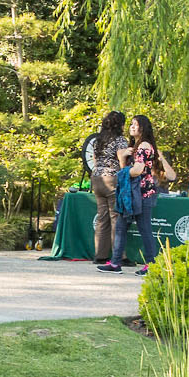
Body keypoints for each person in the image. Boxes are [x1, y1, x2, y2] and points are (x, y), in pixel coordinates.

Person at [101, 116, 177, 275]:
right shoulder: (136, 146)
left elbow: (136, 171)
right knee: (122, 228)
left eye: (136, 124)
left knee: (144, 229)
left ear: (143, 127)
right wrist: (123, 159)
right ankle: (115, 263)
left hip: (141, 195)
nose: (132, 127)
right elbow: (129, 170)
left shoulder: (143, 145)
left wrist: (122, 162)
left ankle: (151, 265)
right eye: (131, 124)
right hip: (132, 194)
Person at [82, 112, 127, 265]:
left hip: (96, 178)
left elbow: (94, 160)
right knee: (116, 217)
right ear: (120, 124)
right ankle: (119, 256)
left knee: (102, 217)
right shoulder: (120, 140)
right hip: (111, 179)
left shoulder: (98, 140)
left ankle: (100, 255)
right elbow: (122, 160)